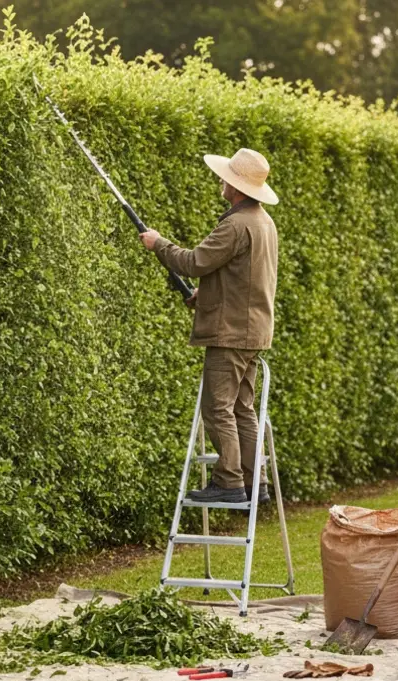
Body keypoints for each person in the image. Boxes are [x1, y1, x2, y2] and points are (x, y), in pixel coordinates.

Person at [140, 148, 279, 504]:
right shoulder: (264, 222)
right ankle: (255, 481)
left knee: (217, 408)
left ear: (236, 186)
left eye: (226, 177)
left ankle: (229, 482)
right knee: (242, 408)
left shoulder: (235, 224)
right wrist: (208, 294)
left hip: (231, 333)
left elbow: (194, 261)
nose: (221, 180)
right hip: (253, 331)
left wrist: (158, 244)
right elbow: (243, 276)